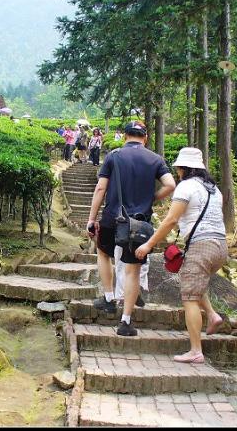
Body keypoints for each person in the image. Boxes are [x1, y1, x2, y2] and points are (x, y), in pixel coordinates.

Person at [134, 147, 227, 363]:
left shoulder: (186, 187)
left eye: (178, 169)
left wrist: (148, 244)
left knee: (189, 298)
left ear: (183, 168)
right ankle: (213, 315)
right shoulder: (214, 189)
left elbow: (171, 220)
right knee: (193, 282)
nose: (177, 172)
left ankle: (196, 351)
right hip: (220, 247)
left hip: (202, 246)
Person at [87, 121, 176, 336]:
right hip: (139, 222)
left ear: (126, 136)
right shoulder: (155, 159)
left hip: (112, 217)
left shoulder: (114, 156)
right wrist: (151, 199)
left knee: (103, 253)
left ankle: (108, 297)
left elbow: (101, 188)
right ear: (145, 138)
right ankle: (126, 321)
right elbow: (171, 185)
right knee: (132, 271)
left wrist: (91, 218)